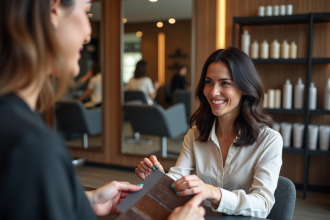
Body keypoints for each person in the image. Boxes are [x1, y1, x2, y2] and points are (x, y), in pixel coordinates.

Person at [0, 0, 205, 219]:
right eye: (87, 12)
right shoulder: (34, 146)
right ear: (54, 10)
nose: (89, 34)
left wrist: (85, 201)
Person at [135, 47, 283, 218]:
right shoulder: (195, 135)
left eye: (225, 83)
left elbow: (263, 204)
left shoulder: (269, 140)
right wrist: (158, 179)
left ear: (244, 87)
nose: (213, 92)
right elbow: (177, 179)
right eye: (209, 82)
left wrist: (213, 192)